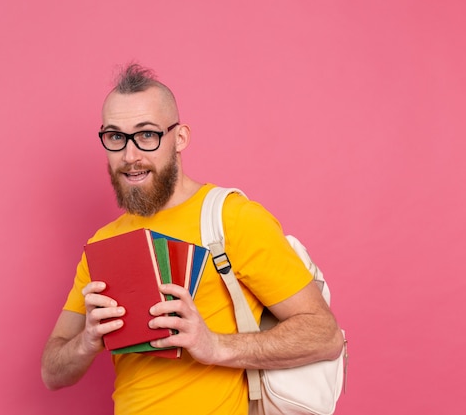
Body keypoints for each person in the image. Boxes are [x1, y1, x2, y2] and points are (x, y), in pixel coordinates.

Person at [41, 63, 344, 415]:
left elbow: (325, 336)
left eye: (147, 135)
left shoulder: (232, 217)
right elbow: (52, 372)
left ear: (180, 137)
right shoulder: (103, 244)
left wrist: (214, 346)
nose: (130, 155)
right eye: (115, 137)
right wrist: (87, 341)